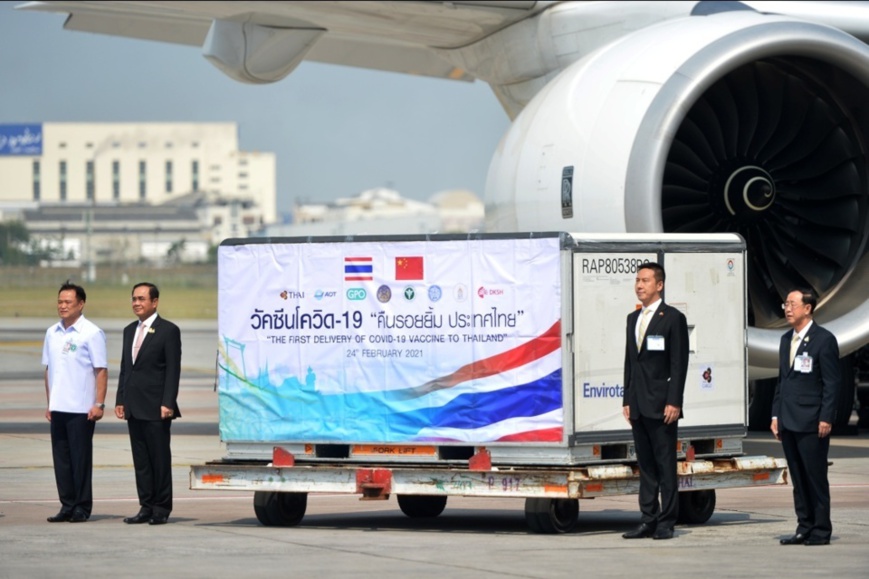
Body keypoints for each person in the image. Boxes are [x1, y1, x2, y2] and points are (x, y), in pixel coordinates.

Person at [621, 262, 688, 540]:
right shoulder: (632, 319)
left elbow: (679, 362)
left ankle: (666, 521)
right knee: (646, 466)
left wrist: (675, 401)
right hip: (638, 404)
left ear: (658, 285)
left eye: (645, 280)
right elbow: (629, 362)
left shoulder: (672, 317)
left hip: (662, 405)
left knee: (664, 465)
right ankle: (647, 518)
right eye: (637, 280)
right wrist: (626, 397)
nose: (639, 285)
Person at [771, 289, 839, 546]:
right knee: (798, 478)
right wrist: (775, 414)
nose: (787, 308)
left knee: (815, 477)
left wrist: (826, 417)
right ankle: (804, 526)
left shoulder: (824, 340)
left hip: (812, 421)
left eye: (792, 304)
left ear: (807, 308)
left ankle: (821, 530)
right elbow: (781, 381)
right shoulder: (786, 339)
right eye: (785, 303)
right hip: (788, 420)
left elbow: (832, 383)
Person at [115, 282, 182, 525]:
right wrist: (120, 399)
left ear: (154, 302)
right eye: (134, 298)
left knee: (159, 460)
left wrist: (168, 402)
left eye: (142, 299)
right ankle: (146, 506)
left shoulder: (168, 331)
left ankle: (161, 508)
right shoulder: (128, 330)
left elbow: (173, 370)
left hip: (156, 408)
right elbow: (126, 369)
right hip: (134, 407)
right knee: (141, 461)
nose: (137, 303)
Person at [42, 281, 108, 523]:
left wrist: (99, 404)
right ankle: (67, 505)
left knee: (80, 460)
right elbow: (48, 370)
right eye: (60, 301)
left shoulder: (91, 333)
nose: (63, 306)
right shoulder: (52, 332)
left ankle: (82, 506)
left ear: (81, 304)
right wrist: (50, 403)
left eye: (68, 302)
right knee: (61, 460)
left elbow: (101, 370)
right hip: (58, 407)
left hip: (81, 409)